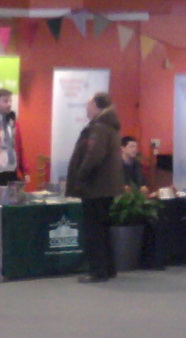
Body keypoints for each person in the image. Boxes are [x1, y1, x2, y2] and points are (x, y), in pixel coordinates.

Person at [66, 92, 124, 283]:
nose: (86, 108)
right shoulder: (110, 127)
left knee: (94, 230)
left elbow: (93, 156)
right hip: (106, 187)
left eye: (88, 105)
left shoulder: (98, 128)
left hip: (95, 187)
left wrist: (79, 178)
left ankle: (98, 271)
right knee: (103, 228)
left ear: (98, 107)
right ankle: (108, 268)